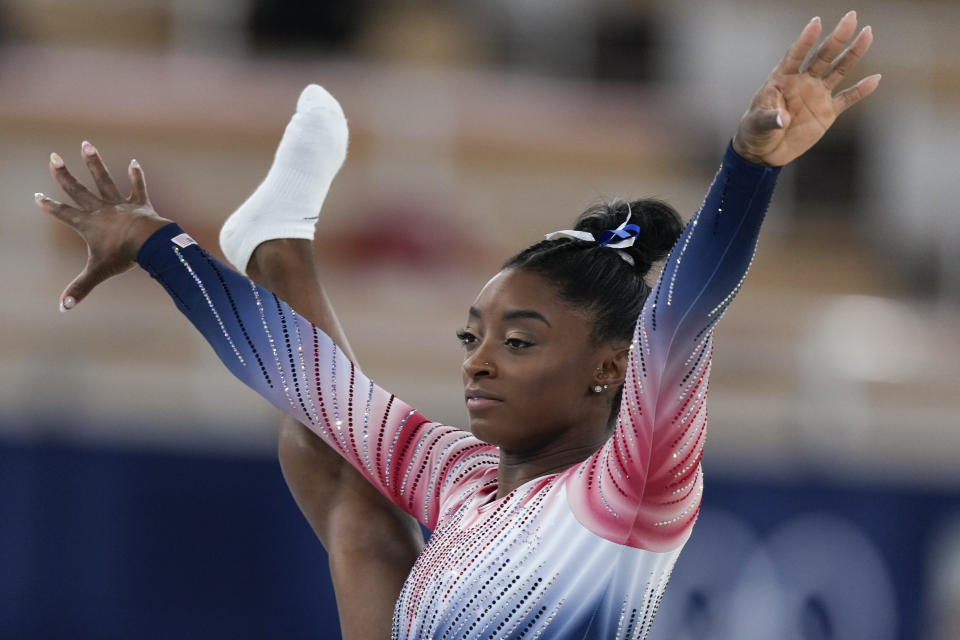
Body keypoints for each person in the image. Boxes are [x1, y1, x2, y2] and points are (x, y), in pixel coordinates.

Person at [35, 12, 878, 639]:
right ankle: (278, 244)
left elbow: (685, 314)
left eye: (518, 342)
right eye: (472, 338)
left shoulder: (631, 489)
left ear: (611, 367)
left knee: (337, 456)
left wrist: (748, 168)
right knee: (328, 444)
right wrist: (154, 242)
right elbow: (314, 382)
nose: (479, 365)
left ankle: (280, 248)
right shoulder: (463, 478)